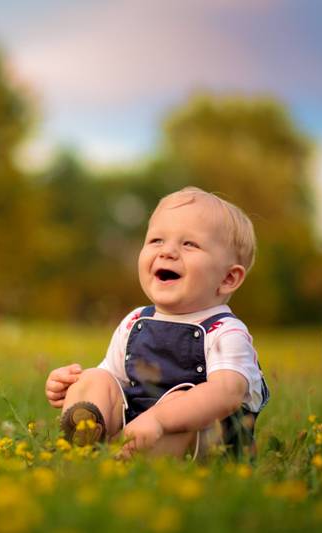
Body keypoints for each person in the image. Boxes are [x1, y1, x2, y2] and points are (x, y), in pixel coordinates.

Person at [44, 186, 269, 458]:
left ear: (227, 279)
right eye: (156, 241)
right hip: (137, 429)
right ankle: (88, 434)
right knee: (96, 377)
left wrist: (160, 419)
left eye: (189, 244)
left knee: (183, 399)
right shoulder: (135, 321)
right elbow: (115, 381)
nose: (168, 252)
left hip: (203, 443)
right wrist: (73, 387)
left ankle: (125, 461)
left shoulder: (225, 332)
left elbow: (227, 393)